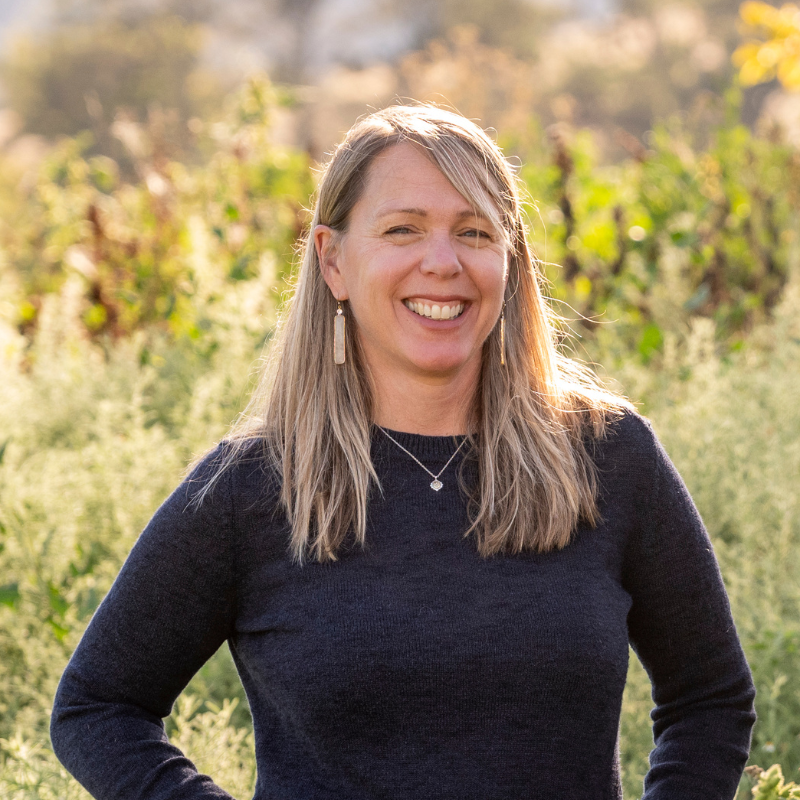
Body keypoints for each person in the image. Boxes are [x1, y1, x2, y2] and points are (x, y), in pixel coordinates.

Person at [51, 104, 756, 800]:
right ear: (333, 260)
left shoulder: (607, 457)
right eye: (403, 230)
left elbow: (711, 699)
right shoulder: (254, 489)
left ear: (508, 260)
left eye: (474, 232)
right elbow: (96, 707)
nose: (443, 263)